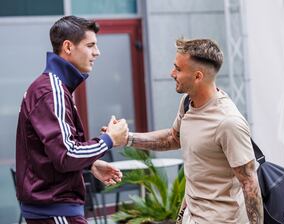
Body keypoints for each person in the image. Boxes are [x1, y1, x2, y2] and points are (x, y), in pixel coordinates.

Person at [125, 38, 264, 223]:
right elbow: (172, 138)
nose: (172, 73)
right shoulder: (187, 103)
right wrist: (127, 138)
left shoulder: (228, 122)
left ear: (198, 76)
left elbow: (249, 184)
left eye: (178, 69)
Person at [15, 16, 128, 224]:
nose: (97, 52)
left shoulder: (52, 87)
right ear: (68, 46)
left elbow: (53, 152)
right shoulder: (52, 90)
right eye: (90, 45)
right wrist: (109, 139)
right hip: (55, 210)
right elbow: (66, 154)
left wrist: (90, 164)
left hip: (52, 209)